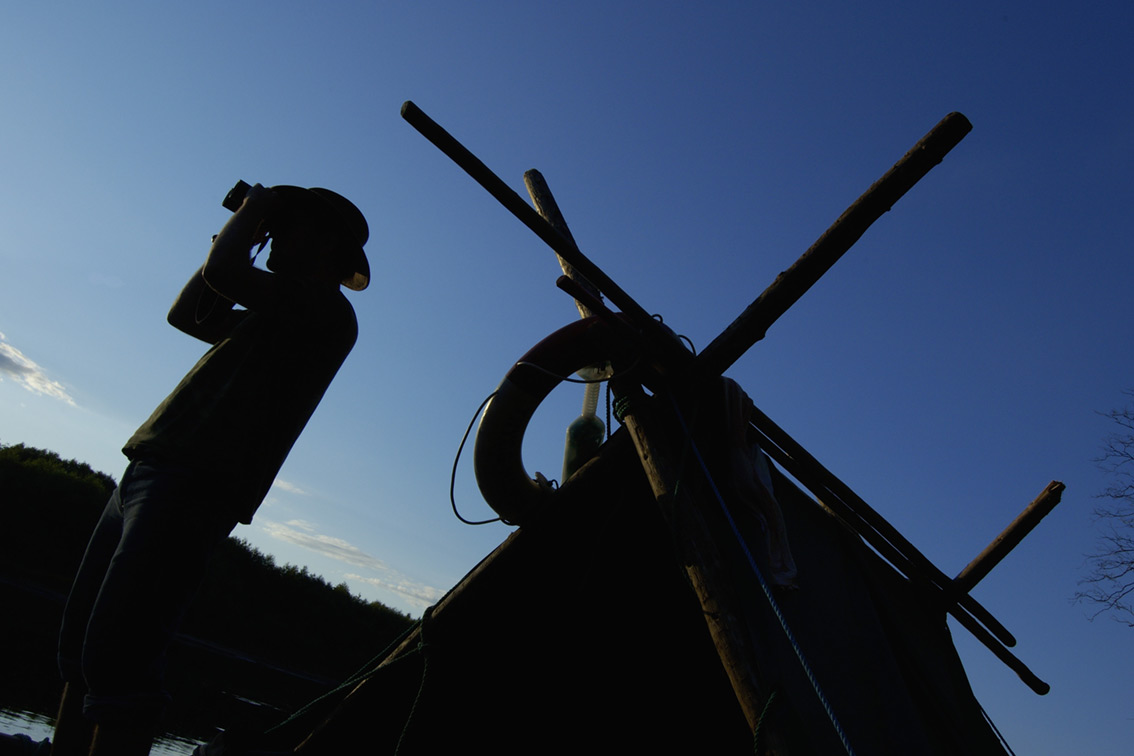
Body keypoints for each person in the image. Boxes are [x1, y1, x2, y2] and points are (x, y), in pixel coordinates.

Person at [50, 182, 370, 756]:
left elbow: (223, 274)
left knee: (120, 660)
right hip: (151, 470)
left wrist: (250, 215)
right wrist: (243, 234)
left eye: (286, 225)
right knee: (83, 651)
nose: (273, 233)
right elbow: (185, 315)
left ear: (324, 245)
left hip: (193, 485)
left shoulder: (325, 311)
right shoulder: (272, 311)